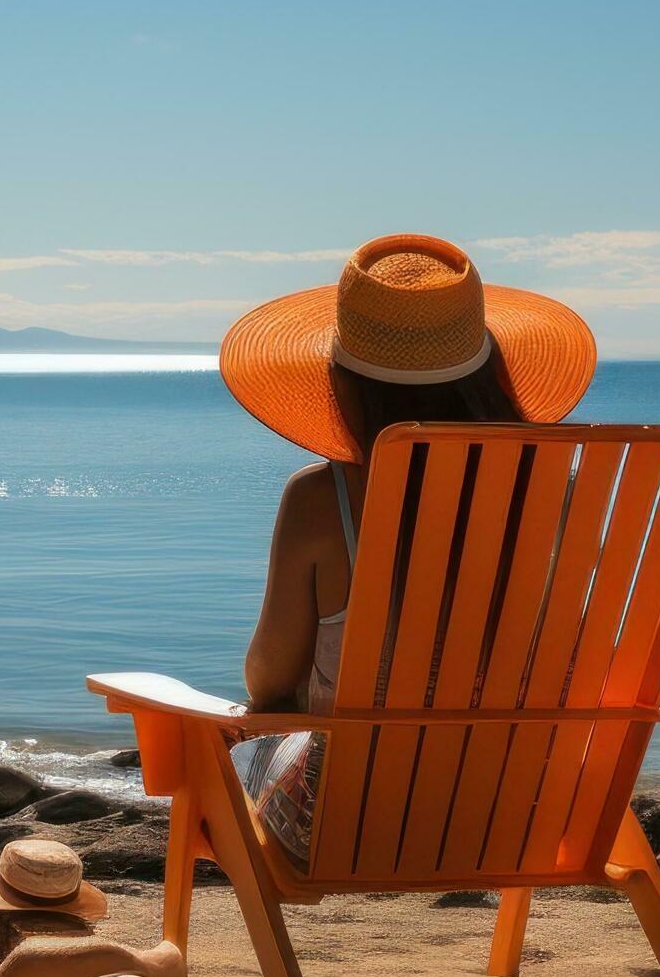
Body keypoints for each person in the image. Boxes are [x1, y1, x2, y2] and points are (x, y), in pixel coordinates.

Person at [220, 234, 601, 859]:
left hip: (348, 824)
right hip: (523, 816)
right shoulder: (557, 492)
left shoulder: (324, 500)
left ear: (342, 381)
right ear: (490, 370)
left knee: (227, 751)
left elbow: (268, 680)